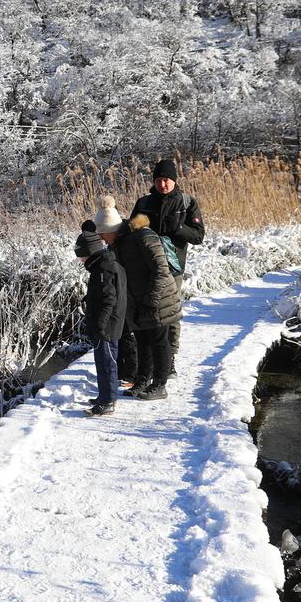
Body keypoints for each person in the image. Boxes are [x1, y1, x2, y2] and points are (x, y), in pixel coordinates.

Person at [132, 159, 204, 358]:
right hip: (146, 268)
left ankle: (170, 354)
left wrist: (178, 228)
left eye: (167, 180)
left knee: (171, 312)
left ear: (174, 180)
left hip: (173, 268)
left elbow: (198, 236)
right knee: (146, 310)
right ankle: (149, 356)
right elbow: (132, 232)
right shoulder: (144, 203)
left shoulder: (186, 202)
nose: (163, 184)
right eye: (159, 180)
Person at [113, 211, 181, 400]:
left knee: (159, 341)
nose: (103, 238)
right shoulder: (120, 243)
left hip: (158, 298)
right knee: (143, 340)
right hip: (140, 300)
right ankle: (143, 380)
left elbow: (161, 269)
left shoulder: (144, 236)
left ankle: (160, 385)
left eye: (104, 233)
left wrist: (151, 300)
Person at [76, 217, 126, 417]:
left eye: (82, 256)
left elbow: (108, 299)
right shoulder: (104, 265)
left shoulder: (103, 269)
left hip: (107, 326)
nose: (81, 260)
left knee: (107, 363)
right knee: (103, 361)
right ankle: (104, 395)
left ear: (90, 252)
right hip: (108, 324)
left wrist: (101, 325)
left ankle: (108, 401)